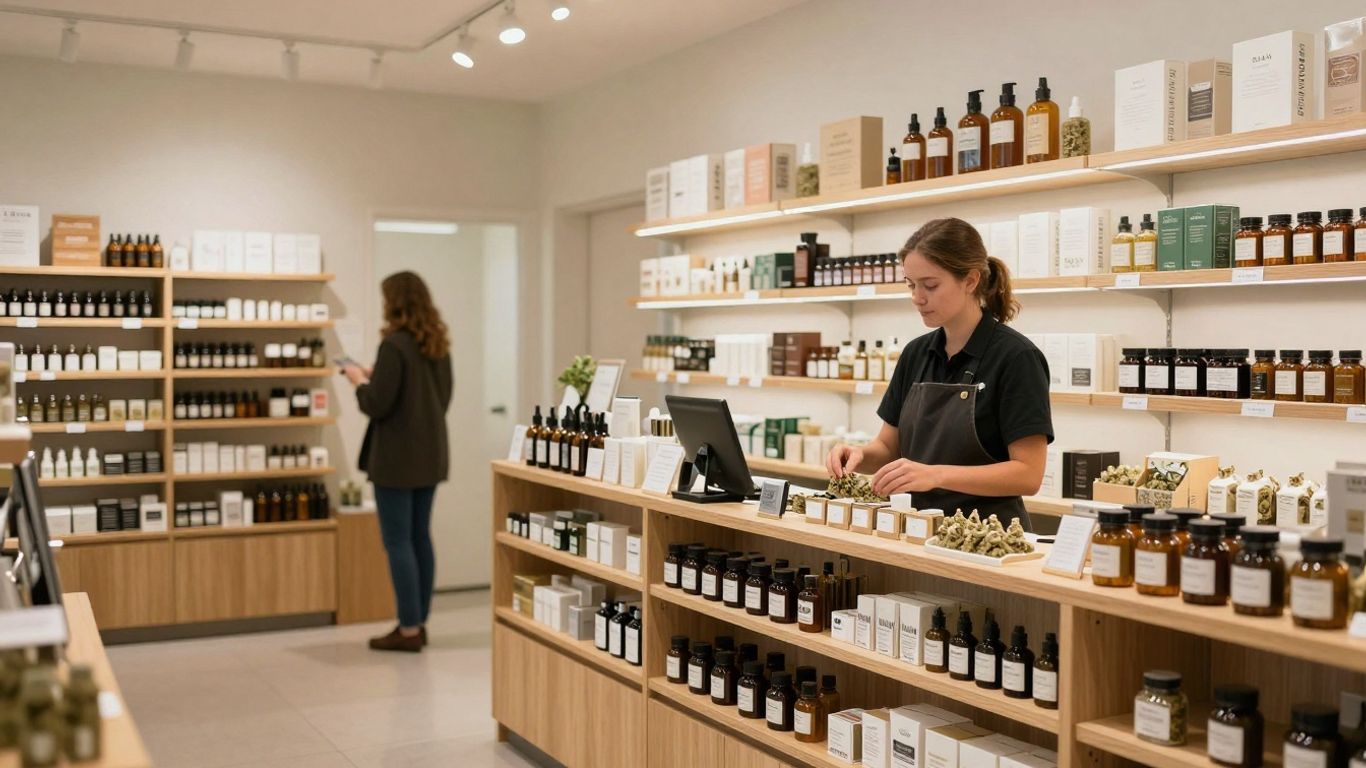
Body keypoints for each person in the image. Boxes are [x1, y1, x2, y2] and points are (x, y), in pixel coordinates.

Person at [826, 218, 1053, 531]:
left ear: (971, 280)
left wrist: (935, 475)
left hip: (987, 540)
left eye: (930, 285)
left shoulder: (1016, 358)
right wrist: (858, 456)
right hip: (915, 531)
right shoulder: (916, 353)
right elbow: (888, 448)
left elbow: (1028, 475)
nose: (917, 297)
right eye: (911, 285)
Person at [343, 271, 454, 652]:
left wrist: (358, 379)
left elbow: (376, 403)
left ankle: (407, 630)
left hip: (396, 459)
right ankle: (418, 622)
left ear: (394, 302)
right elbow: (436, 398)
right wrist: (378, 378)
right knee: (420, 536)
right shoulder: (436, 344)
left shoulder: (393, 346)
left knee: (398, 542)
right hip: (430, 454)